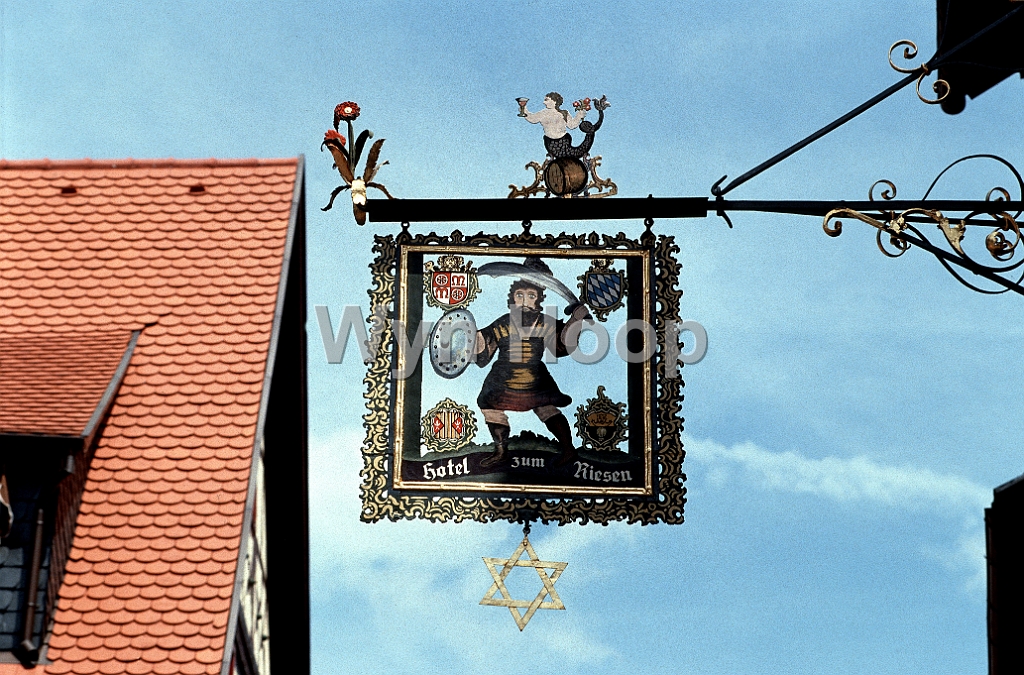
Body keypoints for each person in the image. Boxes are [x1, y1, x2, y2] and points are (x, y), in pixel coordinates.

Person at [473, 258, 592, 469]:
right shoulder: (504, 321)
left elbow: (561, 346)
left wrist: (576, 320)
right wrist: (475, 338)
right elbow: (485, 345)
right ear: (512, 298)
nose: (525, 301)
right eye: (520, 295)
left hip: (534, 377)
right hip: (502, 377)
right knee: (489, 407)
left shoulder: (545, 322)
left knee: (546, 409)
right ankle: (500, 451)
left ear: (538, 299)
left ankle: (568, 451)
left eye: (531, 296)